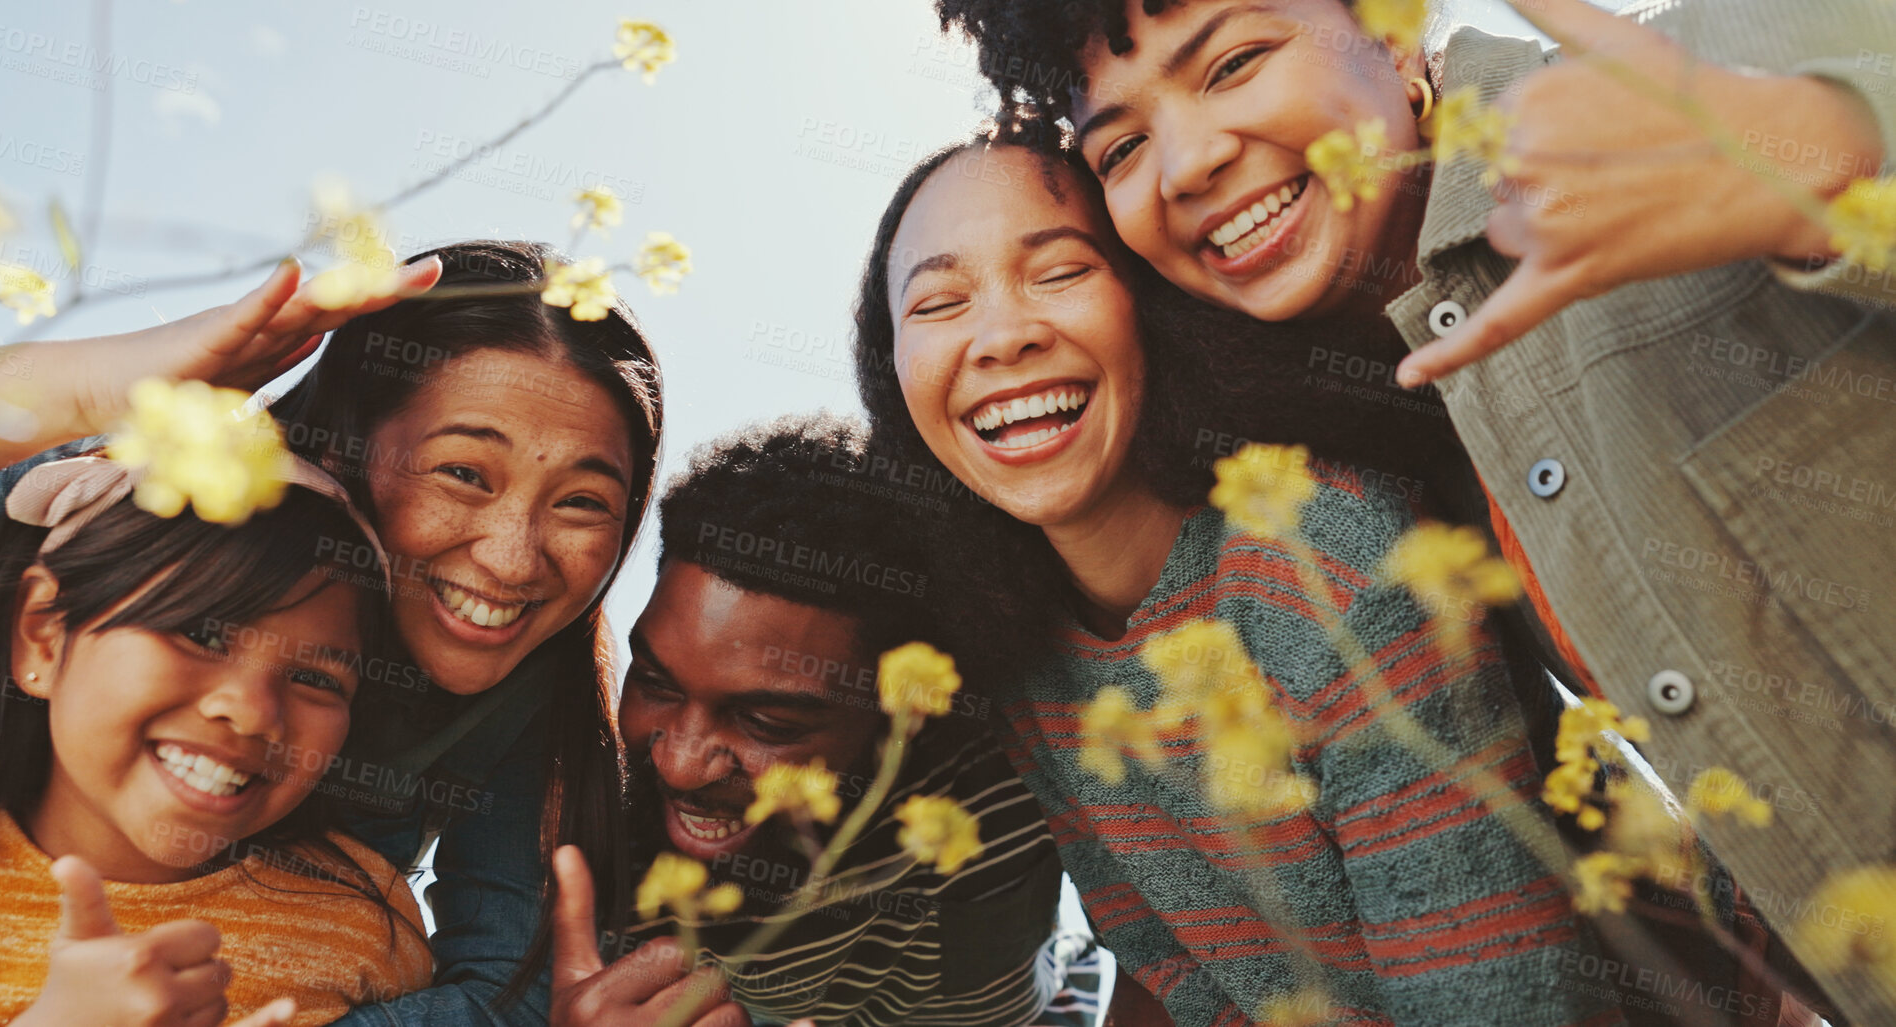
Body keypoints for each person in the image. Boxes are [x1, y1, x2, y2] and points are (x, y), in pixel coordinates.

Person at [932, 3, 1896, 1016]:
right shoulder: (1358, 437)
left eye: (1235, 62)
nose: (1186, 164)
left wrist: (1830, 158)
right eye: (1121, 145)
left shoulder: (1686, 80)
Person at [851, 134, 1621, 1025]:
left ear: (1151, 300)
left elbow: (1496, 1001)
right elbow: (1161, 968)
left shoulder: (1326, 557)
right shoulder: (1021, 665)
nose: (1001, 337)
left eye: (1059, 273)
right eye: (939, 302)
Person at [0, 240, 687, 1025]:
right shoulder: (140, 499)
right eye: (464, 473)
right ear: (342, 447)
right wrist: (113, 381)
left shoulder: (366, 915)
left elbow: (508, 984)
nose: (511, 560)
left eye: (581, 503)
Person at [556, 412, 1101, 1027]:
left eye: (766, 721)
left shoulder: (1018, 784)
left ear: (906, 712)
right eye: (656, 683)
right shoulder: (580, 825)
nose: (678, 765)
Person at [0, 449, 429, 1025]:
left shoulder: (366, 916)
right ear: (45, 635)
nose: (251, 713)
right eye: (200, 634)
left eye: (313, 679)